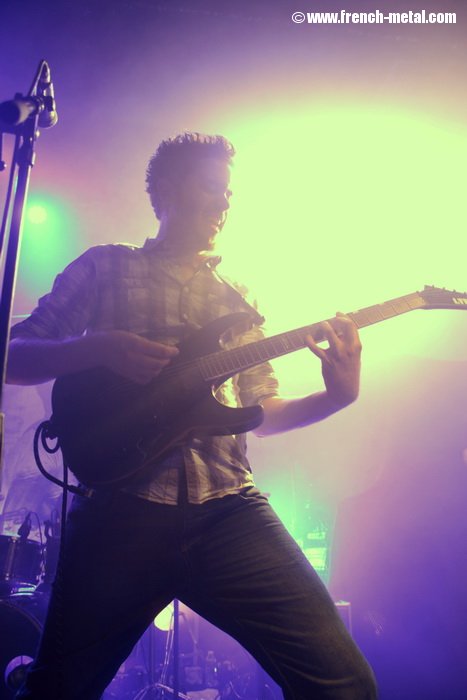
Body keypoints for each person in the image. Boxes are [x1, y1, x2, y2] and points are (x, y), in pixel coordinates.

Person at [7, 133, 377, 699]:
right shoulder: (104, 266)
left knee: (345, 685)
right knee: (55, 691)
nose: (225, 202)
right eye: (211, 187)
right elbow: (13, 355)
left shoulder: (240, 298)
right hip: (119, 512)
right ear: (166, 190)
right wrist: (96, 348)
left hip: (228, 510)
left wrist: (336, 398)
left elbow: (262, 413)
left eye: (229, 192)